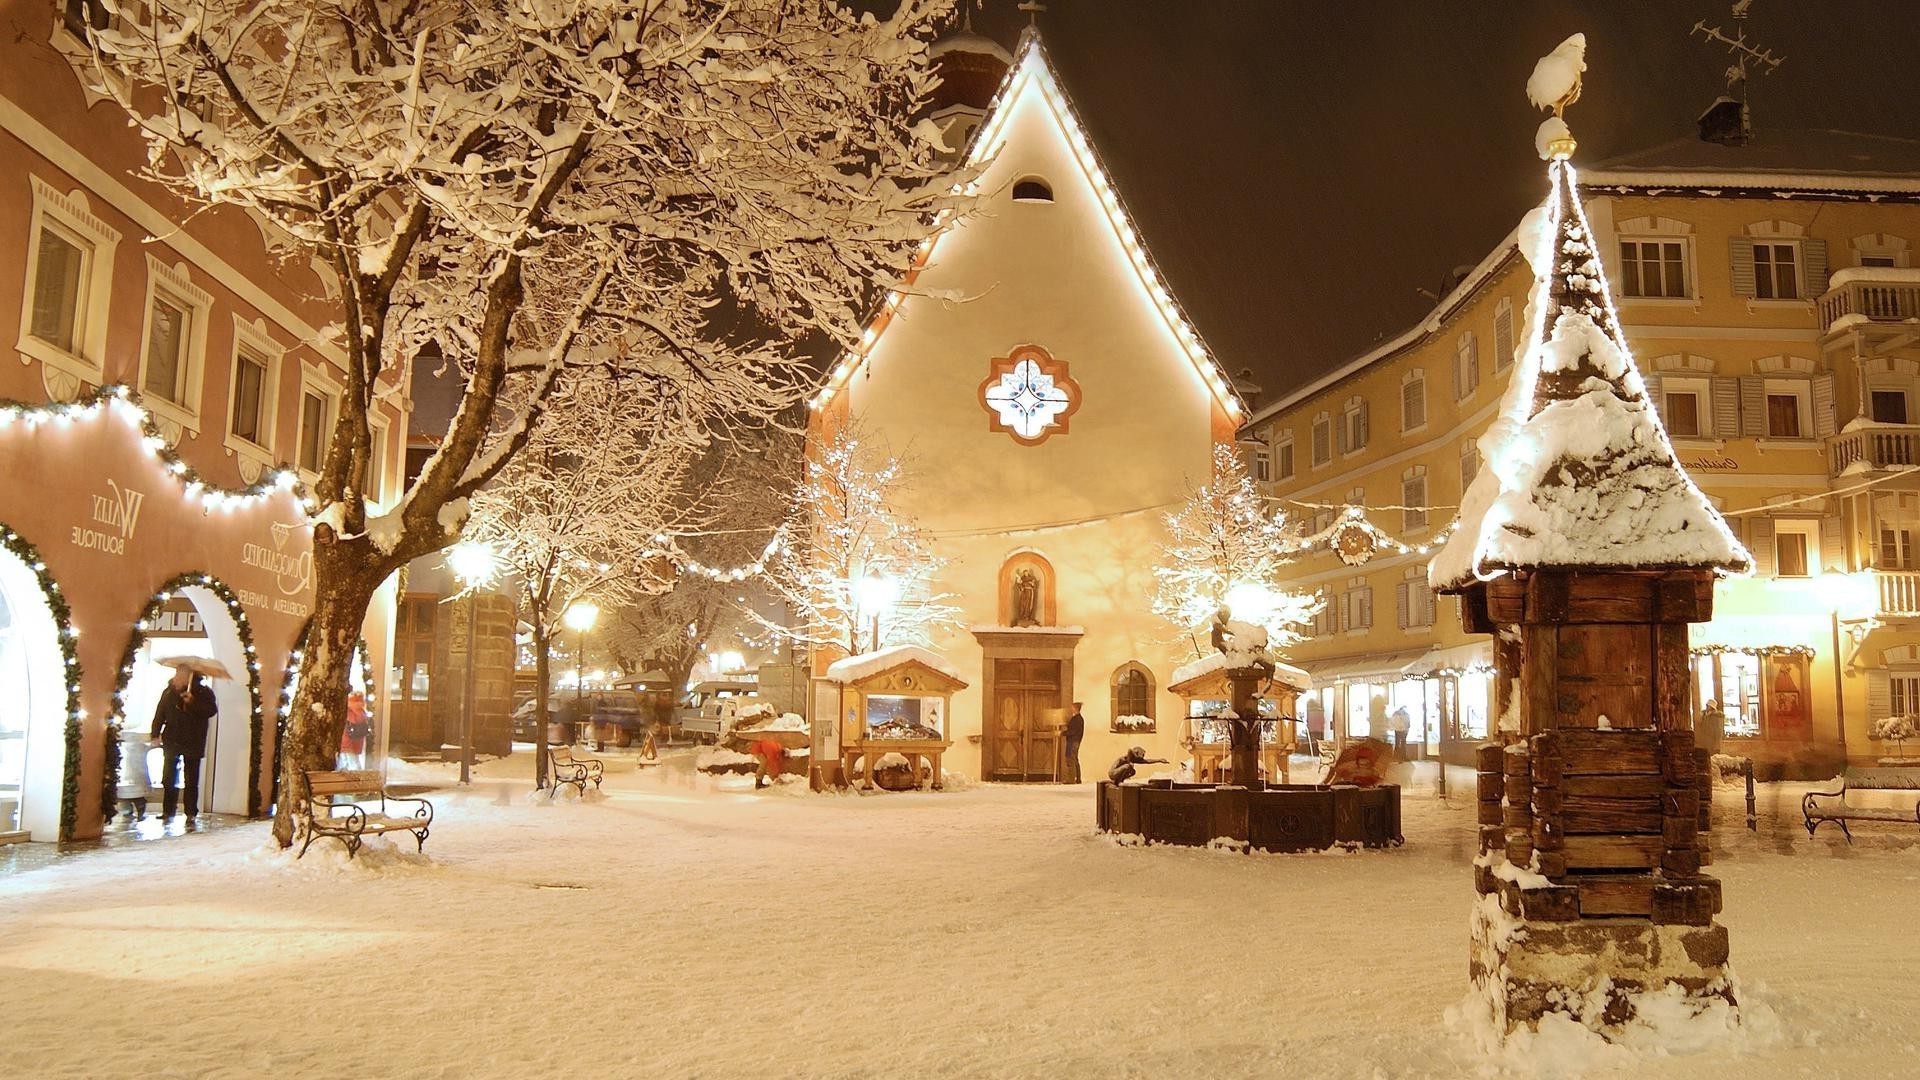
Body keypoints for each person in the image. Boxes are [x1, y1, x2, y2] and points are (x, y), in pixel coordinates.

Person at [150, 667, 217, 821]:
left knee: (191, 779)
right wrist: (155, 733)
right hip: (172, 739)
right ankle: (168, 810)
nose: (177, 678)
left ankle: (191, 812)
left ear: (189, 677)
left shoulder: (203, 692)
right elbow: (160, 713)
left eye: (181, 676)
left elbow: (210, 711)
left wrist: (192, 701)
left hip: (193, 740)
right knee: (168, 777)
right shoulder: (168, 693)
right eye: (177, 675)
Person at [340, 691, 371, 769]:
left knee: (349, 762)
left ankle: (356, 778)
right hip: (357, 741)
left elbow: (348, 725)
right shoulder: (362, 711)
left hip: (347, 740)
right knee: (354, 761)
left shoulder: (349, 711)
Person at [1062, 701, 1085, 783]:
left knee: (1071, 759)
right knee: (1074, 759)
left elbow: (1072, 731)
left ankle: (1071, 779)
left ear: (1076, 708)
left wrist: (1062, 733)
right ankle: (1078, 779)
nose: (1071, 709)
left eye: (1072, 707)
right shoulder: (1077, 718)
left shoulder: (1077, 719)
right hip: (1075, 741)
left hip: (1073, 741)